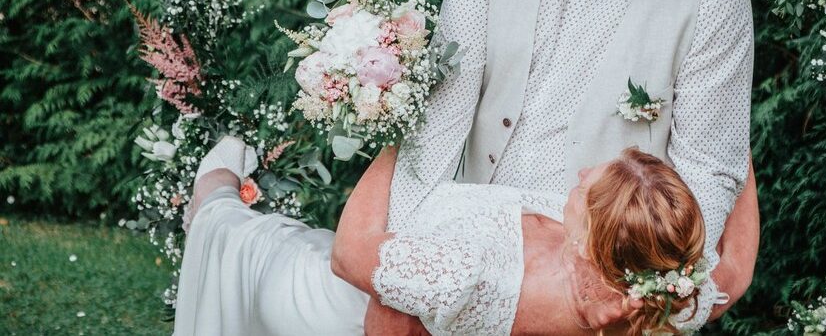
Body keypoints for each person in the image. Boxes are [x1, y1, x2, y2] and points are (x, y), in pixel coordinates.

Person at [377, 0, 760, 331]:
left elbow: (707, 167)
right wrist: (404, 253)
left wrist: (646, 287)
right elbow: (446, 105)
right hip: (476, 230)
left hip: (606, 262)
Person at [174, 136, 710, 335]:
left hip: (333, 302)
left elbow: (349, 254)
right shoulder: (659, 294)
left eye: (585, 187)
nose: (581, 174)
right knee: (277, 236)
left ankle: (211, 195)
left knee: (244, 240)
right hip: (377, 275)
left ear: (592, 240)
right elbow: (736, 271)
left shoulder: (472, 274)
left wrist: (395, 131)